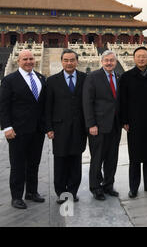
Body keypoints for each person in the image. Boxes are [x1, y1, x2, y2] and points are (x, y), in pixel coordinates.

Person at [0, 50, 46, 209]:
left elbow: (43, 105)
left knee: (34, 163)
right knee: (18, 164)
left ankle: (32, 192)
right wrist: (7, 127)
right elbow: (3, 106)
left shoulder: (41, 78)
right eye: (25, 59)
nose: (29, 61)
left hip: (37, 130)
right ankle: (17, 196)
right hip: (17, 130)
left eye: (31, 58)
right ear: (18, 61)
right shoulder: (9, 80)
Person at [119, 47, 147, 198]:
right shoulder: (126, 77)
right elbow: (122, 101)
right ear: (134, 58)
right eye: (138, 56)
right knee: (135, 156)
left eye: (144, 56)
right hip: (133, 122)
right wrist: (124, 120)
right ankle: (133, 186)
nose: (141, 59)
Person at [45, 49, 87, 204]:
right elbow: (47, 107)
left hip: (79, 127)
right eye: (66, 60)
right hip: (59, 128)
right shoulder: (52, 81)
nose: (69, 63)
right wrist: (48, 127)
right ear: (62, 61)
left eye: (72, 60)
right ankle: (61, 192)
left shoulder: (84, 78)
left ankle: (73, 191)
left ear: (77, 61)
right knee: (61, 160)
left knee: (76, 160)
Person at [82, 50, 122, 201]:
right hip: (98, 126)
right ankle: (96, 187)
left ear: (116, 62)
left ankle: (108, 185)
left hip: (115, 125)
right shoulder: (93, 77)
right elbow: (87, 102)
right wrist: (91, 124)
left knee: (112, 158)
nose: (109, 63)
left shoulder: (118, 77)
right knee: (97, 158)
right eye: (106, 60)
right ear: (101, 61)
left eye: (112, 60)